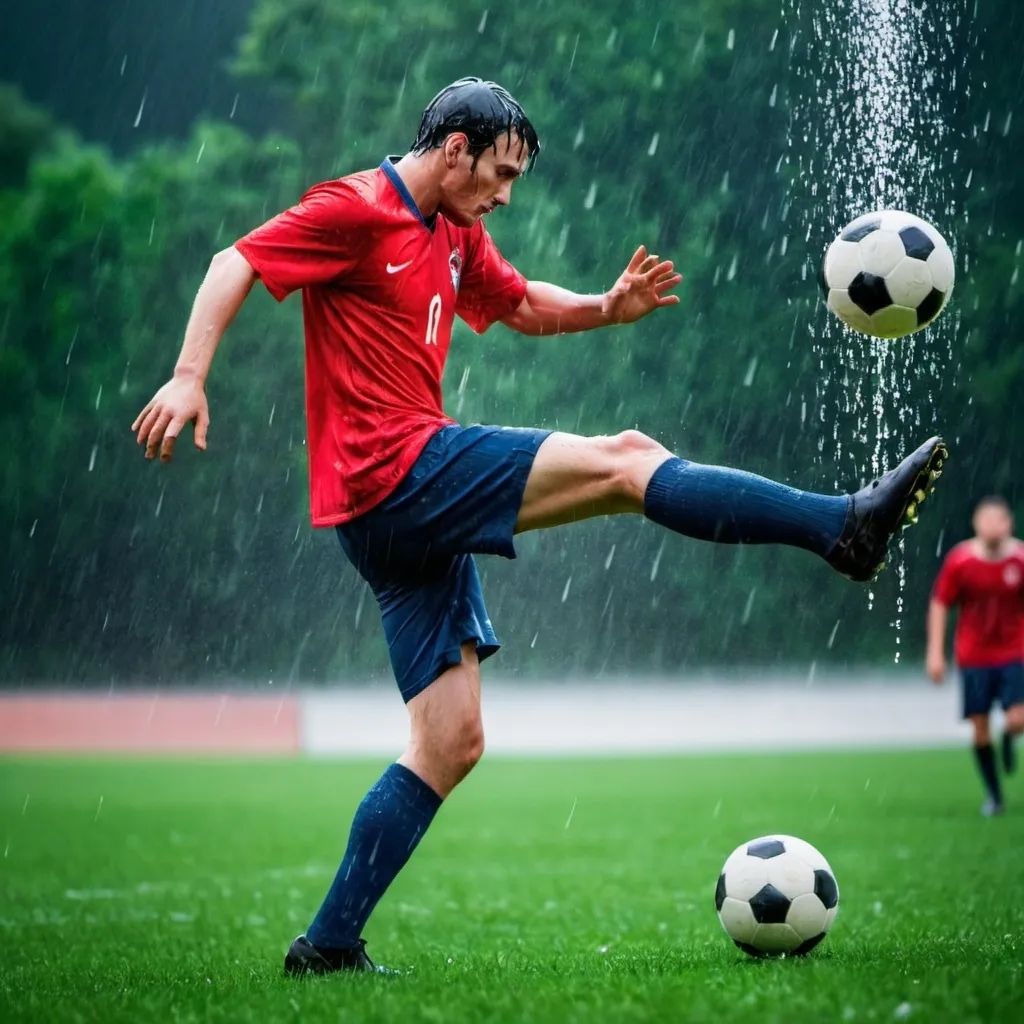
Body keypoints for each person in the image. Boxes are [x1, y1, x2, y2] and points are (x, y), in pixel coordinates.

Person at [132, 77, 948, 974]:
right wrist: (187, 374)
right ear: (455, 150)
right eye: (499, 172)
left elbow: (518, 306)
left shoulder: (454, 229)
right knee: (629, 459)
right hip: (396, 472)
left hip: (384, 515)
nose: (504, 194)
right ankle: (840, 526)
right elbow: (234, 261)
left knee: (449, 742)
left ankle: (327, 946)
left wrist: (606, 307)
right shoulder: (358, 207)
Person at [927, 496, 1024, 816]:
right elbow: (941, 603)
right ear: (976, 524)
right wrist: (935, 652)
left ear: (1008, 524)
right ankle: (995, 797)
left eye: (998, 520)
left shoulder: (1020, 559)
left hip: (1014, 651)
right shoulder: (961, 561)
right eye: (985, 520)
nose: (991, 526)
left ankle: (1010, 737)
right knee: (980, 727)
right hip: (974, 656)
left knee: (1017, 719)